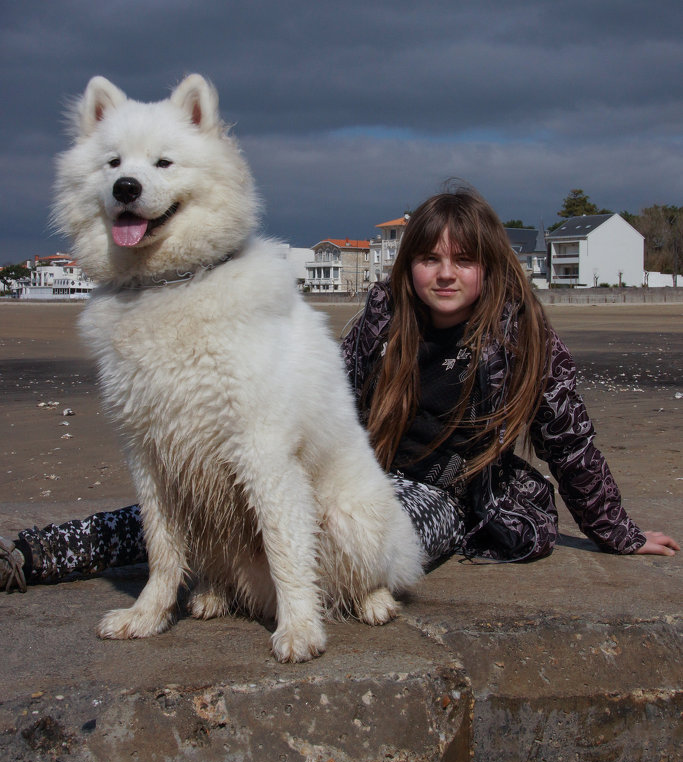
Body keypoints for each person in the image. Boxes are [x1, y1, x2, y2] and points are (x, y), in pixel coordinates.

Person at [1, 186, 677, 593]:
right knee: (199, 501)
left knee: (329, 550)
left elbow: (570, 443)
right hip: (353, 468)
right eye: (428, 256)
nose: (444, 273)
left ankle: (230, 585)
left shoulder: (525, 336)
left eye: (462, 260)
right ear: (409, 261)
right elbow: (321, 397)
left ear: (487, 265)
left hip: (442, 495)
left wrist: (616, 533)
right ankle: (29, 554)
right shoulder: (384, 320)